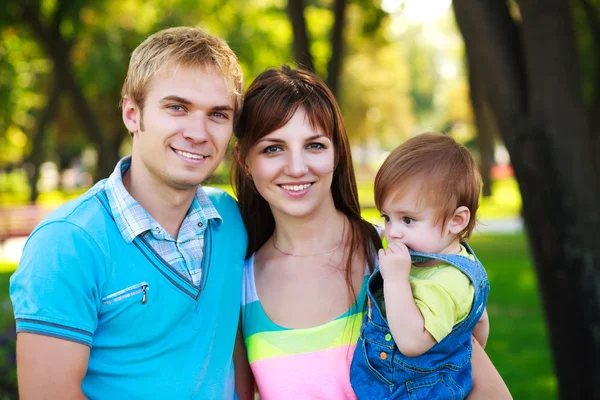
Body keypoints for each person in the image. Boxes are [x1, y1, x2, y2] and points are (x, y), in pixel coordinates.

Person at [232, 66, 511, 399]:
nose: (296, 167)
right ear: (245, 161)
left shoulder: (397, 254)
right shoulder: (238, 281)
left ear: (337, 152)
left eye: (315, 146)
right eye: (272, 148)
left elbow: (489, 390)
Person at [10, 27, 247, 399]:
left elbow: (232, 351)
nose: (199, 133)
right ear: (132, 114)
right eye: (177, 107)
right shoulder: (66, 243)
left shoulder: (230, 221)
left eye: (218, 114)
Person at [350, 132, 490, 399]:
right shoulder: (446, 263)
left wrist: (395, 280)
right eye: (387, 218)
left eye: (408, 220)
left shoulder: (446, 283)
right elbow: (480, 321)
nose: (393, 232)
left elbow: (412, 342)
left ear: (457, 221)